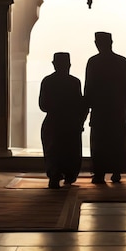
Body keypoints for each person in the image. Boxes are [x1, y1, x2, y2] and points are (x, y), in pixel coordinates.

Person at [84, 31, 126, 184]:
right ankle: (116, 171)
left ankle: (99, 173)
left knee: (100, 143)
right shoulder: (121, 62)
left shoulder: (93, 62)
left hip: (100, 111)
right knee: (117, 142)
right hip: (117, 110)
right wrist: (125, 107)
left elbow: (89, 88)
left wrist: (87, 107)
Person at [39, 52, 88, 189]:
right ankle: (69, 175)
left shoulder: (48, 81)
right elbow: (80, 104)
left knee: (53, 151)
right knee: (70, 151)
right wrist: (80, 121)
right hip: (70, 122)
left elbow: (43, 105)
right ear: (69, 65)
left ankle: (54, 175)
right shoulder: (74, 82)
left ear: (54, 64)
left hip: (53, 122)